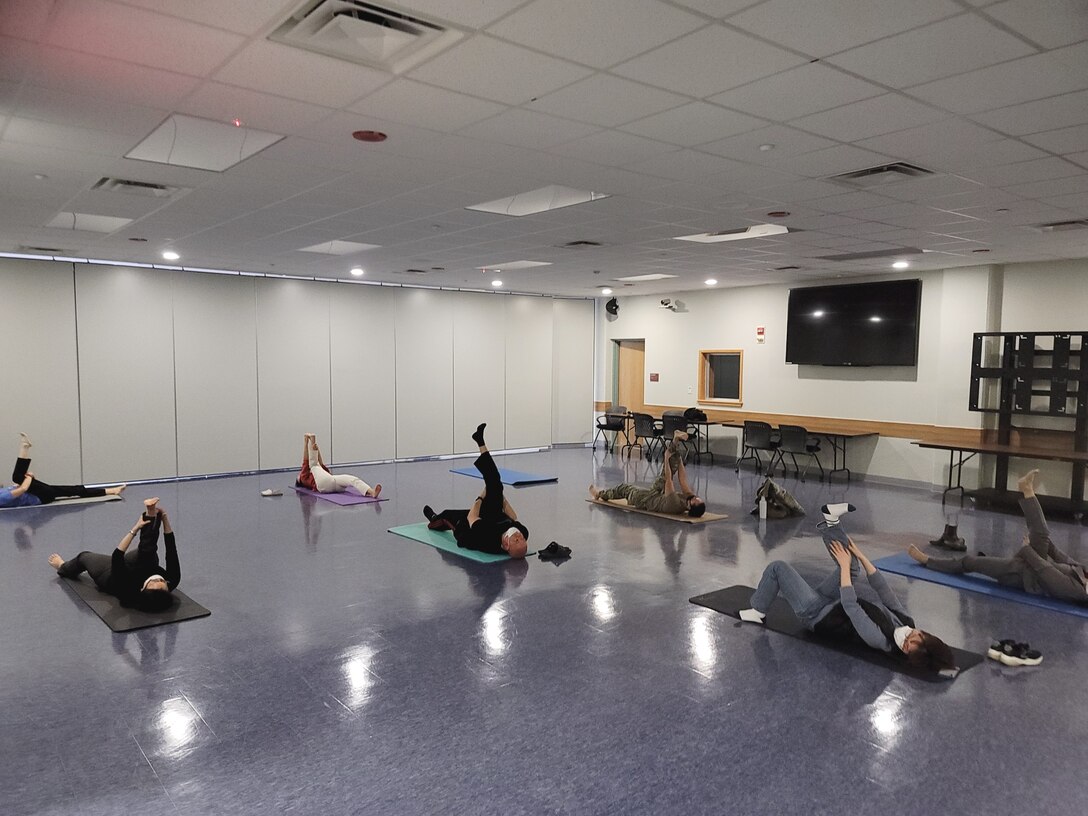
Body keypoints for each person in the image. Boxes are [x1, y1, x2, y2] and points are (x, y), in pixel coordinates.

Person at [738, 523, 958, 675]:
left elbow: (851, 606)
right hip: (830, 603)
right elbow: (884, 591)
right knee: (853, 564)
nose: (907, 639)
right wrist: (861, 556)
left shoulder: (881, 640)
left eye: (908, 646)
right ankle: (831, 523)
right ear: (923, 634)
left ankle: (758, 610)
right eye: (915, 636)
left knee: (778, 567)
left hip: (816, 614)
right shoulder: (906, 623)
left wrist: (843, 566)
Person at [909, 469, 1087, 604]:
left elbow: (1046, 573)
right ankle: (1027, 489)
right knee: (1042, 535)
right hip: (1034, 565)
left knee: (971, 562)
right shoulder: (1085, 574)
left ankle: (928, 561)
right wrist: (1048, 546)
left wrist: (1026, 550)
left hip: (1024, 577)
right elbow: (1065, 560)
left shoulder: (1078, 592)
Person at [48, 498, 180, 612]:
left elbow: (117, 556)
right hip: (140, 565)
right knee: (147, 552)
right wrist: (164, 519)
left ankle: (63, 567)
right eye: (161, 580)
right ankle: (151, 512)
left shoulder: (127, 588)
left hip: (111, 575)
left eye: (153, 582)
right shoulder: (172, 580)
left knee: (84, 556)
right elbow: (171, 551)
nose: (157, 578)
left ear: (142, 589)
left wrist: (135, 528)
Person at [422, 423, 529, 559]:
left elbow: (472, 517)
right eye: (523, 539)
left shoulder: (488, 539)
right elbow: (513, 516)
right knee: (495, 480)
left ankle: (433, 518)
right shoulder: (523, 532)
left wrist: (482, 495)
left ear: (506, 545)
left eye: (517, 540)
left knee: (446, 515)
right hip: (492, 518)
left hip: (467, 528)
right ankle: (480, 440)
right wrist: (497, 492)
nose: (520, 536)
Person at [589, 431, 706, 517]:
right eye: (698, 498)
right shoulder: (688, 498)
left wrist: (666, 457)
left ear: (691, 507)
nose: (696, 497)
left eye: (696, 500)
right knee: (674, 463)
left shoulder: (674, 505)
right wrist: (679, 458)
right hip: (658, 493)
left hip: (647, 499)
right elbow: (682, 479)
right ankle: (675, 441)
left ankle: (599, 494)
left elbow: (668, 479)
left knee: (624, 488)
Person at [1, 433, 125, 508]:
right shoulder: (2, 497)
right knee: (17, 477)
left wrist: (27, 480)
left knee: (72, 490)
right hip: (42, 497)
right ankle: (24, 447)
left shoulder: (2, 492)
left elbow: (19, 489)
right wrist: (28, 478)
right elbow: (22, 489)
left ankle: (111, 490)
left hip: (40, 493)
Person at [297, 433, 381, 498]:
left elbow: (321, 464)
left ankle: (372, 492)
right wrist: (306, 442)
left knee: (352, 479)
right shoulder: (304, 478)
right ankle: (312, 438)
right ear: (299, 480)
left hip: (332, 482)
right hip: (323, 486)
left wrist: (317, 450)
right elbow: (306, 460)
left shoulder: (318, 473)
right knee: (314, 465)